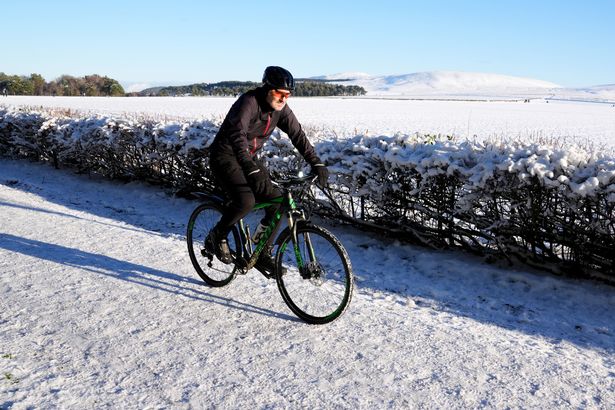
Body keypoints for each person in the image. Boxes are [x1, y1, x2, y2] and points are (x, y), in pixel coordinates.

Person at [206, 66, 329, 273]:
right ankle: (216, 236)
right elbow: (237, 136)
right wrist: (248, 167)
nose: (283, 99)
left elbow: (298, 135)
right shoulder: (249, 102)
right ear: (267, 88)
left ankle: (263, 253)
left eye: (287, 95)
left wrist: (316, 162)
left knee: (277, 202)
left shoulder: (281, 110)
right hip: (225, 156)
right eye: (279, 93)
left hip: (249, 158)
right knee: (245, 201)